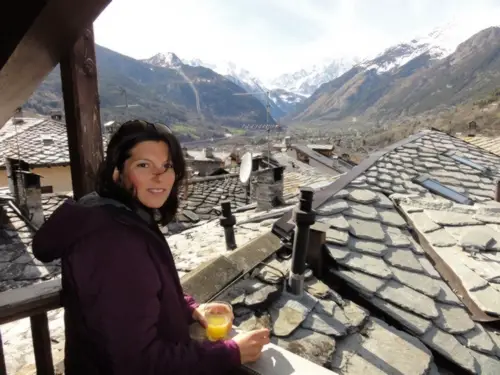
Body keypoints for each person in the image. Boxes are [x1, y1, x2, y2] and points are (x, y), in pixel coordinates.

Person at [32, 120, 270, 375]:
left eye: (166, 166)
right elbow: (138, 363)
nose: (159, 176)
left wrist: (187, 309)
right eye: (143, 165)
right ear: (117, 171)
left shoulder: (111, 213)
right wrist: (231, 352)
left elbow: (137, 299)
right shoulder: (115, 243)